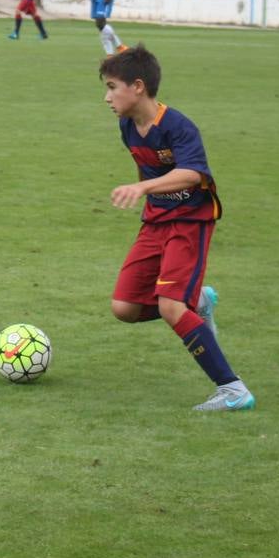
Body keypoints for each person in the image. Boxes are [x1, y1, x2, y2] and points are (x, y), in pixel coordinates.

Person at [101, 45, 253, 412]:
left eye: (111, 86)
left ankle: (233, 390)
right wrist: (146, 193)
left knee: (170, 306)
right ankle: (196, 301)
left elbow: (193, 173)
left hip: (189, 220)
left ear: (138, 87)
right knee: (124, 307)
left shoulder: (178, 126)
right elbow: (148, 166)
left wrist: (141, 188)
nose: (107, 97)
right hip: (156, 221)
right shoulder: (127, 126)